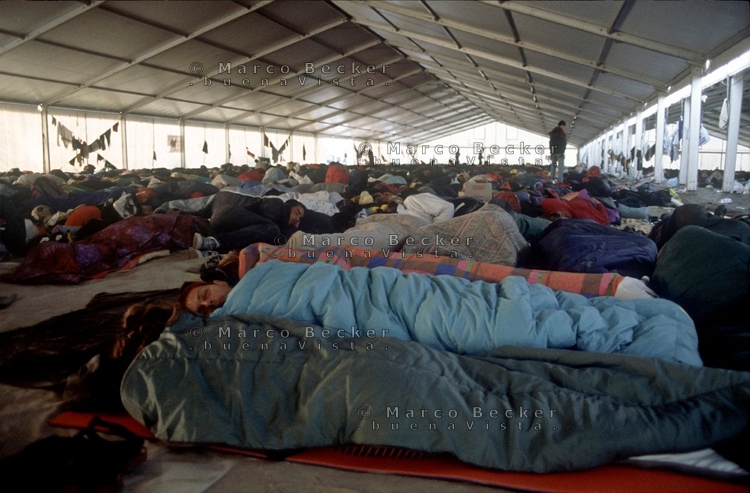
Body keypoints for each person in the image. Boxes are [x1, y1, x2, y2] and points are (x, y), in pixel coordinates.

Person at [176, 259, 700, 365]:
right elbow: (330, 315)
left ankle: (632, 324)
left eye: (204, 293)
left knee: (498, 305)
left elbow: (345, 281)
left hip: (396, 290)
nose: (209, 302)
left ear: (215, 281)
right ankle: (643, 332)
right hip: (395, 311)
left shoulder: (266, 273)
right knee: (502, 326)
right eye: (201, 308)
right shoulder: (247, 314)